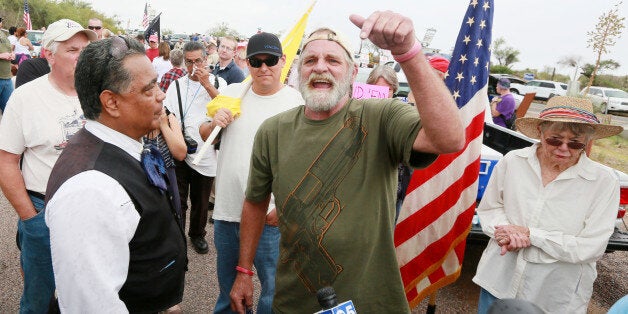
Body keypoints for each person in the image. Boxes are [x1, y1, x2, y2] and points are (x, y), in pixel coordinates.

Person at [230, 11, 465, 313]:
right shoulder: (272, 131)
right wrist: (245, 271)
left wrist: (408, 53)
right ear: (298, 71)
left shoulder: (381, 116)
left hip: (372, 301)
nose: (320, 68)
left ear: (353, 73)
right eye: (310, 61)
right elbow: (255, 201)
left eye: (333, 60)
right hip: (293, 301)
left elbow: (449, 139)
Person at [45, 36, 186, 312]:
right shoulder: (90, 190)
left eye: (157, 83)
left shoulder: (123, 144)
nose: (161, 95)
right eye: (149, 89)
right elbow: (92, 305)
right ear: (111, 102)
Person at [472, 96, 623, 314]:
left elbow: (591, 246)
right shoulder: (513, 161)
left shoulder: (603, 181)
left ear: (587, 143)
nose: (564, 148)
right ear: (541, 132)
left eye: (575, 143)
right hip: (500, 279)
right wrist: (506, 233)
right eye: (555, 140)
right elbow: (491, 208)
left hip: (556, 295)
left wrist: (531, 236)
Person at [199, 32, 303, 314]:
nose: (264, 68)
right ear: (246, 64)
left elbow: (304, 162)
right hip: (228, 213)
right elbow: (205, 134)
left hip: (269, 218)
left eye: (270, 60)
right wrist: (214, 123)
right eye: (256, 62)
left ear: (283, 61)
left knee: (272, 292)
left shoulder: (296, 104)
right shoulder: (233, 94)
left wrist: (283, 206)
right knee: (229, 291)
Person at [0, 19, 96, 313]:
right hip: (43, 209)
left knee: (86, 296)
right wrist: (31, 220)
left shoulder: (98, 94)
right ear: (49, 55)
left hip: (92, 210)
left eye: (86, 49)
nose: (82, 56)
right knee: (38, 299)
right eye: (72, 50)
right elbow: (6, 161)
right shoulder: (25, 98)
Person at [164, 41, 225, 254]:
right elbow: (168, 114)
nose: (193, 66)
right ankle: (178, 235)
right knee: (179, 199)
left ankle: (197, 234)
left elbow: (227, 108)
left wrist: (207, 84)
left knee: (201, 200)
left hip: (207, 153)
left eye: (197, 61)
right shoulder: (177, 85)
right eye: (189, 62)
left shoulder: (219, 82)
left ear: (205, 59)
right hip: (181, 150)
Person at [0, 17, 15, 113]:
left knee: (9, 112)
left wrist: (12, 54)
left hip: (7, 77)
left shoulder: (3, 34)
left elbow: (10, 49)